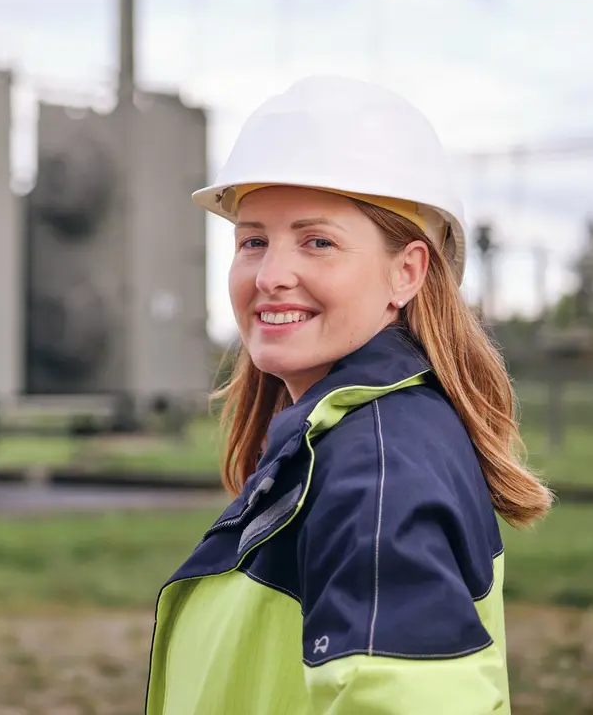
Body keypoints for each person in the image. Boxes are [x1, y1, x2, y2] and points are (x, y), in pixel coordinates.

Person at [144, 76, 553, 715]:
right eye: (254, 240)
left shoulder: (375, 469)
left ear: (406, 272)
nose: (273, 276)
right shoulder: (364, 436)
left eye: (318, 242)